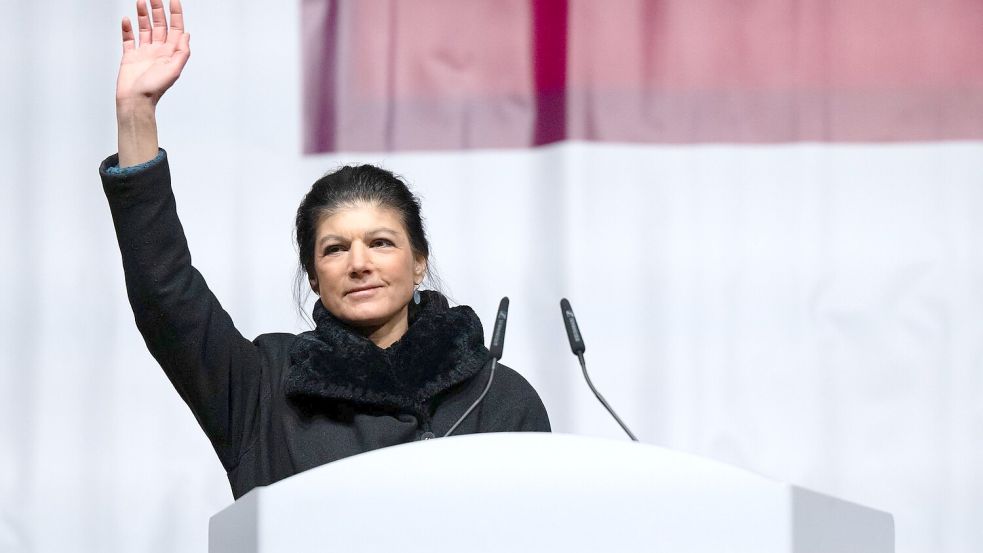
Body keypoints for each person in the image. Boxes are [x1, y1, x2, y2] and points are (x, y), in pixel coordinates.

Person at [100, 0, 550, 500]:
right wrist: (136, 114)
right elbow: (166, 297)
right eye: (335, 249)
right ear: (313, 274)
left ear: (419, 261)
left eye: (381, 243)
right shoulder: (266, 386)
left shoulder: (497, 396)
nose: (360, 264)